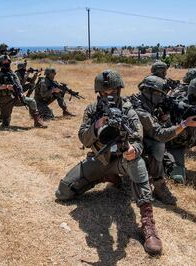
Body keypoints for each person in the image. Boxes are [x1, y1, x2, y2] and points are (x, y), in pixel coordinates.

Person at [55, 70, 163, 256]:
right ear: (99, 93)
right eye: (105, 93)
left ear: (120, 90)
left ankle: (148, 224)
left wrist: (133, 150)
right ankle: (108, 176)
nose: (109, 95)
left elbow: (138, 139)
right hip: (100, 159)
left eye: (114, 91)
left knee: (137, 162)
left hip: (123, 160)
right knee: (63, 192)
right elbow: (83, 138)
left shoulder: (129, 110)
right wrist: (96, 126)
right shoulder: (91, 110)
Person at [130, 75, 196, 204]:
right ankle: (159, 187)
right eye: (159, 94)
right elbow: (159, 134)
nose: (162, 97)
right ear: (148, 91)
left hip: (136, 143)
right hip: (129, 148)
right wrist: (184, 124)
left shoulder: (146, 103)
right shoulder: (141, 110)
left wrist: (163, 119)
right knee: (158, 145)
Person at [0, 55, 46, 129]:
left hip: (16, 98)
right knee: (5, 124)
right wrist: (6, 86)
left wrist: (20, 93)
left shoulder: (13, 74)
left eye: (8, 62)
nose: (7, 64)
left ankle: (37, 121)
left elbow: (19, 85)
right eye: (4, 62)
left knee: (31, 101)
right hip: (5, 100)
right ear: (0, 63)